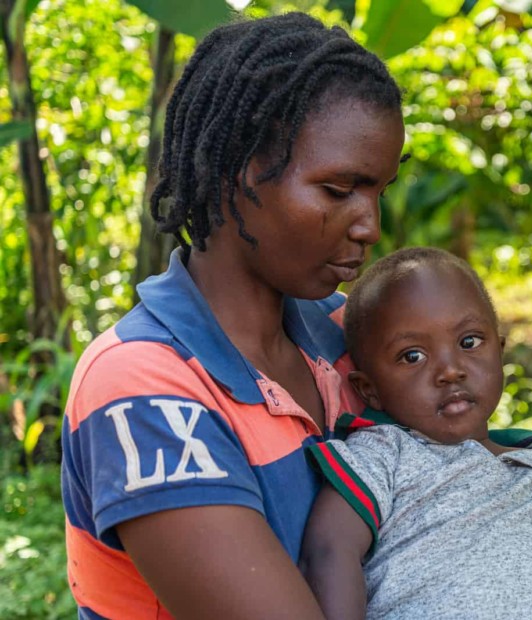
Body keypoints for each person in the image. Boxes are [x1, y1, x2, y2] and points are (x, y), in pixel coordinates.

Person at [60, 13, 405, 619]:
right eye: (337, 190)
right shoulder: (141, 391)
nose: (370, 226)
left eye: (378, 192)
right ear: (236, 171)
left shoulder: (345, 332)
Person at [299, 247, 532, 620]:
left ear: (500, 351)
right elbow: (330, 550)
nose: (450, 370)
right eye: (412, 356)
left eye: (469, 342)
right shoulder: (383, 454)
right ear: (369, 390)